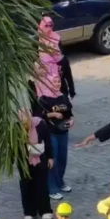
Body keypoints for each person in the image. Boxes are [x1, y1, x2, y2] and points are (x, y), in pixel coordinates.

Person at [35, 67, 74, 199]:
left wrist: (72, 120)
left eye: (58, 81)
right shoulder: (43, 99)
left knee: (62, 159)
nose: (57, 84)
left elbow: (69, 113)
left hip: (63, 131)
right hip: (50, 133)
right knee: (53, 159)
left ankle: (60, 182)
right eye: (54, 82)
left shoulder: (63, 96)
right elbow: (37, 116)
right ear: (48, 82)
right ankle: (52, 188)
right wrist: (52, 114)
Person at [17, 107, 54, 219]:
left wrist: (50, 157)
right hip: (24, 160)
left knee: (42, 185)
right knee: (26, 186)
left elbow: (47, 141)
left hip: (40, 159)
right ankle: (29, 212)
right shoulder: (16, 128)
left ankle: (45, 210)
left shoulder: (40, 124)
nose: (25, 124)